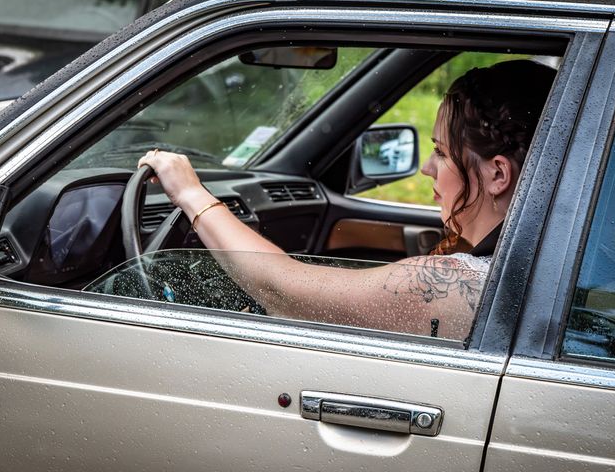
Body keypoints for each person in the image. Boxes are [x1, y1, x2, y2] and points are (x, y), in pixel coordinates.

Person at [138, 60, 556, 340]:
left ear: (498, 174)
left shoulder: (460, 284)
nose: (427, 169)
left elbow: (282, 290)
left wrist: (191, 194)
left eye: (442, 153)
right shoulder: (536, 265)